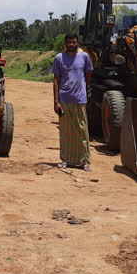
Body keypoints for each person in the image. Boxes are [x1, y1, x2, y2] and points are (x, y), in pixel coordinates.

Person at [51, 33, 93, 171]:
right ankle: (66, 160)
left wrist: (83, 90)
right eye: (69, 42)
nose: (71, 45)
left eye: (74, 42)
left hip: (79, 99)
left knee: (82, 131)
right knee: (66, 132)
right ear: (65, 43)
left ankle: (85, 161)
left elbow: (88, 76)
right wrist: (56, 102)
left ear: (77, 43)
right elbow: (56, 80)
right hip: (64, 100)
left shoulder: (84, 57)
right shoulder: (59, 58)